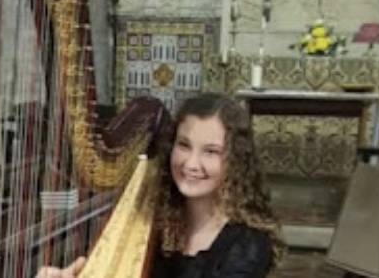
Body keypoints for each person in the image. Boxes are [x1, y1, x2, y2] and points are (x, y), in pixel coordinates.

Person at [37, 93, 285, 278]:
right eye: (184, 145)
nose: (191, 163)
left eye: (211, 152)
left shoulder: (247, 245)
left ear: (235, 161)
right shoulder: (153, 221)